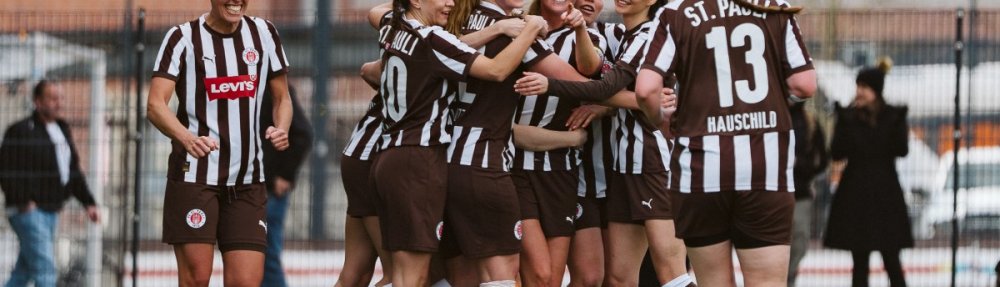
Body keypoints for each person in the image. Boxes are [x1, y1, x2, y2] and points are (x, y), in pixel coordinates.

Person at [634, 0, 817, 285]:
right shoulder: (774, 8)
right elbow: (804, 84)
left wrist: (660, 119)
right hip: (764, 168)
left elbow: (646, 90)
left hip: (700, 169)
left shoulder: (675, 12)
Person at [372, 0, 545, 284]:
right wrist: (531, 28)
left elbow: (375, 18)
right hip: (419, 160)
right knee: (413, 278)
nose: (451, 3)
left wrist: (497, 27)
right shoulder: (432, 38)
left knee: (402, 274)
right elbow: (496, 70)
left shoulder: (392, 26)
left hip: (388, 158)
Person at [146, 0, 294, 285]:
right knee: (196, 280)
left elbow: (282, 99)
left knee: (247, 282)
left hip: (248, 181)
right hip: (195, 179)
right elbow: (155, 105)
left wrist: (282, 127)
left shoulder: (264, 32)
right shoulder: (182, 38)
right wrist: (186, 137)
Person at [0, 80, 101, 287]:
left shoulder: (61, 129)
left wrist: (88, 202)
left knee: (24, 271)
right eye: (52, 98)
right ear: (38, 101)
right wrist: (24, 202)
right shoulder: (20, 130)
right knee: (46, 269)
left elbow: (72, 171)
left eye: (61, 98)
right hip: (28, 212)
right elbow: (5, 170)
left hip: (51, 211)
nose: (59, 103)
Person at [824, 58, 911, 287]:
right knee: (859, 260)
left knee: (891, 258)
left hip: (885, 194)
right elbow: (836, 152)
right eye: (858, 86)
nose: (859, 92)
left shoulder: (894, 117)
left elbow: (901, 149)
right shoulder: (848, 118)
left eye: (864, 87)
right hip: (857, 194)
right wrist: (844, 121)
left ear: (876, 90)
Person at [260, 86, 313, 287]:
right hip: (255, 185)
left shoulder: (271, 90)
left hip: (270, 187)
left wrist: (284, 174)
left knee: (267, 256)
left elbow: (303, 135)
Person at [786, 100, 829, 286]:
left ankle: (788, 278)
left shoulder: (809, 121)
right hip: (773, 192)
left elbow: (823, 158)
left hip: (800, 190)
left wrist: (804, 168)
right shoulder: (773, 116)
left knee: (799, 240)